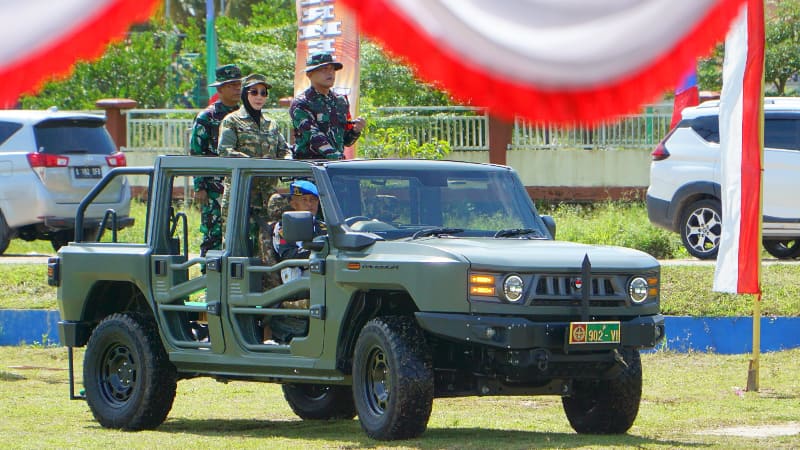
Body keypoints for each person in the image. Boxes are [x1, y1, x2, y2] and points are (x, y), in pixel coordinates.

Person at [189, 64, 241, 255]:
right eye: (232, 85)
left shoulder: (243, 115)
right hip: (213, 187)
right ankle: (209, 275)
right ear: (220, 89)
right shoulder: (207, 117)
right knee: (214, 233)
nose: (237, 88)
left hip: (238, 184)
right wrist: (199, 186)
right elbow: (196, 152)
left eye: (239, 84)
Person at [290, 52, 366, 160]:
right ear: (309, 74)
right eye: (324, 69)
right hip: (311, 169)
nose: (330, 73)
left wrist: (355, 131)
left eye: (332, 69)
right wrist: (338, 158)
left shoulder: (341, 101)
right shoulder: (301, 103)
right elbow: (313, 136)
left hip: (335, 168)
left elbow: (346, 141)